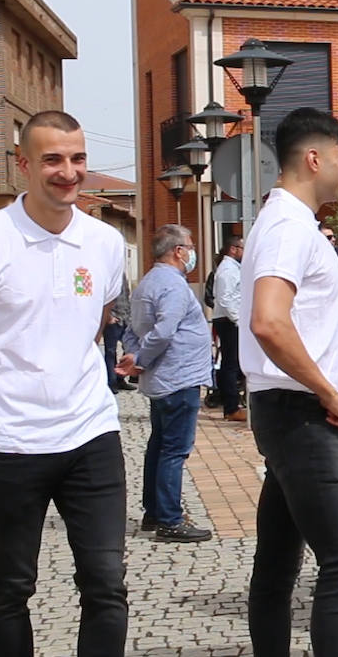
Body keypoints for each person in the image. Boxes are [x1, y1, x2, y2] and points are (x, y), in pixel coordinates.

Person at [0, 110, 128, 655]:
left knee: (106, 585)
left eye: (77, 158)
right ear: (23, 164)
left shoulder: (105, 243)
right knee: (11, 588)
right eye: (52, 160)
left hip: (91, 435)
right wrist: (18, 378)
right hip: (10, 442)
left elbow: (97, 322)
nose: (68, 172)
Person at [240, 109, 338, 657]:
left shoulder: (285, 222)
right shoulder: (289, 226)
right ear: (314, 158)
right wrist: (328, 390)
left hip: (287, 409)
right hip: (300, 413)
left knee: (278, 558)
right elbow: (269, 320)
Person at [118, 225, 214, 542]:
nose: (193, 251)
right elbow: (163, 331)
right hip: (178, 377)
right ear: (178, 251)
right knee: (174, 450)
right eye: (190, 246)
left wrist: (134, 353)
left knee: (159, 446)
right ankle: (170, 519)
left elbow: (133, 330)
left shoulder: (147, 282)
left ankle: (154, 511)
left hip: (165, 378)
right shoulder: (172, 285)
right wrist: (141, 359)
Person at [212, 236, 247, 421]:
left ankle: (233, 404)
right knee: (230, 364)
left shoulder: (234, 269)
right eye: (242, 248)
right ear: (233, 249)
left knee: (233, 363)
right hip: (228, 321)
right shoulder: (227, 270)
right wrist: (238, 320)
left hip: (231, 320)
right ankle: (231, 407)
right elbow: (225, 298)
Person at [103, 273, 131, 390]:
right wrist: (109, 317)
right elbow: (103, 296)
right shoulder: (106, 273)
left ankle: (121, 378)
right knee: (110, 352)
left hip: (125, 317)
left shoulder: (122, 274)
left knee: (129, 347)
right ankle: (111, 382)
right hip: (113, 319)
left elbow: (127, 293)